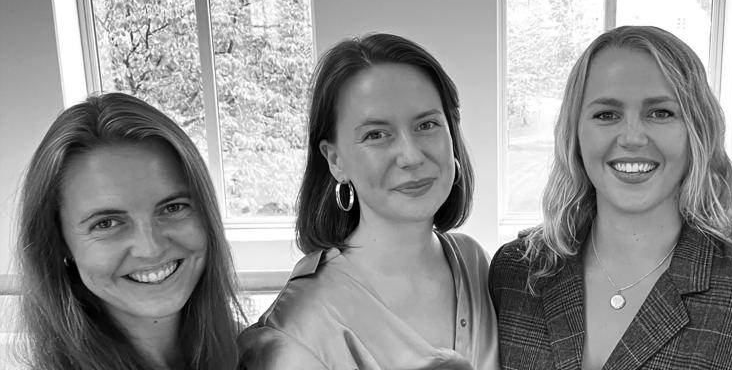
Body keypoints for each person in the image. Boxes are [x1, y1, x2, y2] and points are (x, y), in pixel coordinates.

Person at [489, 25, 732, 369]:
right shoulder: (514, 272)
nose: (632, 137)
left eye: (660, 113)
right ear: (575, 134)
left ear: (697, 131)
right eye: (606, 114)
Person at [237, 33, 499, 369]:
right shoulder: (296, 328)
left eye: (427, 124)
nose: (411, 156)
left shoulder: (474, 262)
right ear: (335, 160)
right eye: (376, 134)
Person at [15, 92, 245, 369]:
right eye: (106, 223)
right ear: (59, 242)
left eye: (172, 208)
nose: (151, 249)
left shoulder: (265, 353)